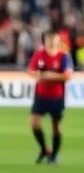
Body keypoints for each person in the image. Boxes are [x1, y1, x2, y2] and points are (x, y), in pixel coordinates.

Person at [28, 31, 72, 164]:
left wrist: (46, 75)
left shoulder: (63, 56)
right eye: (49, 39)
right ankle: (44, 149)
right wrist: (50, 76)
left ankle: (54, 155)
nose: (52, 42)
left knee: (56, 126)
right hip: (41, 95)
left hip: (57, 96)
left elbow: (67, 76)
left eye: (55, 40)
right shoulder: (39, 54)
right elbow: (31, 70)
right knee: (34, 123)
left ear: (58, 41)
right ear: (45, 41)